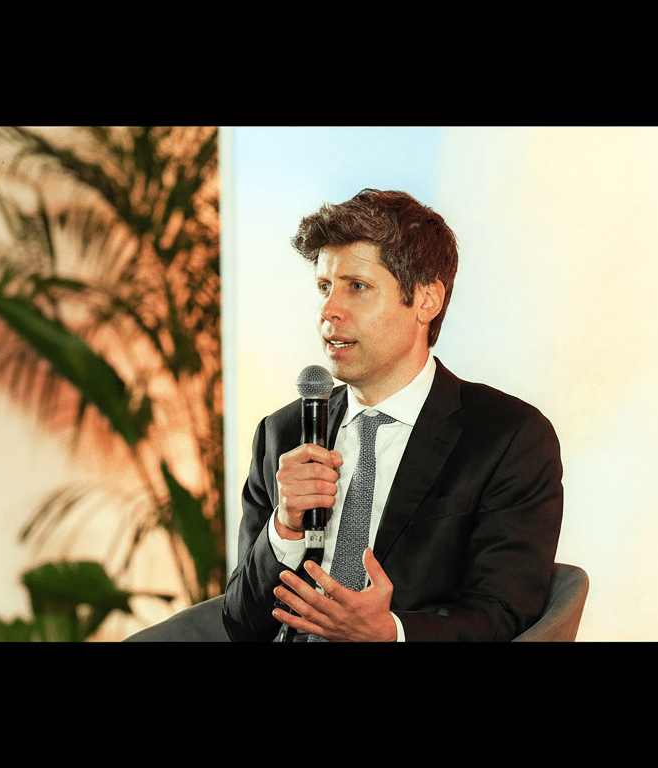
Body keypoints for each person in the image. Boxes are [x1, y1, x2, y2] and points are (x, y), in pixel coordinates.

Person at [222, 188, 564, 642]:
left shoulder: (508, 438)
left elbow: (503, 613)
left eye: (357, 287)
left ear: (427, 301)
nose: (328, 311)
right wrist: (284, 527)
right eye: (324, 287)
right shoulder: (282, 434)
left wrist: (392, 633)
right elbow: (240, 623)